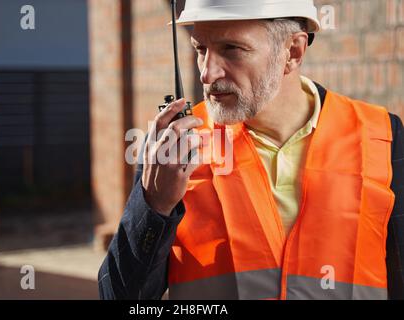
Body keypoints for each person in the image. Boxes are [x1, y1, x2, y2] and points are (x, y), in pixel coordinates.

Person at [98, 0, 404, 299]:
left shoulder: (382, 136)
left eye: (232, 49)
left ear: (293, 52)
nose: (207, 73)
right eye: (200, 49)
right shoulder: (173, 150)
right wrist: (154, 206)